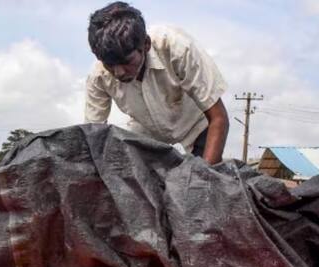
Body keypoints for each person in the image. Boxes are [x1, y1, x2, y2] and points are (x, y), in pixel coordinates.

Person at [84, 2, 229, 164]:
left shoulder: (177, 48)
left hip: (196, 126)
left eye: (126, 62)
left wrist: (205, 177)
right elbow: (93, 137)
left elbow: (218, 117)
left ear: (146, 44)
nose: (118, 73)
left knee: (201, 181)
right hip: (146, 132)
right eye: (109, 64)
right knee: (136, 181)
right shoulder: (98, 77)